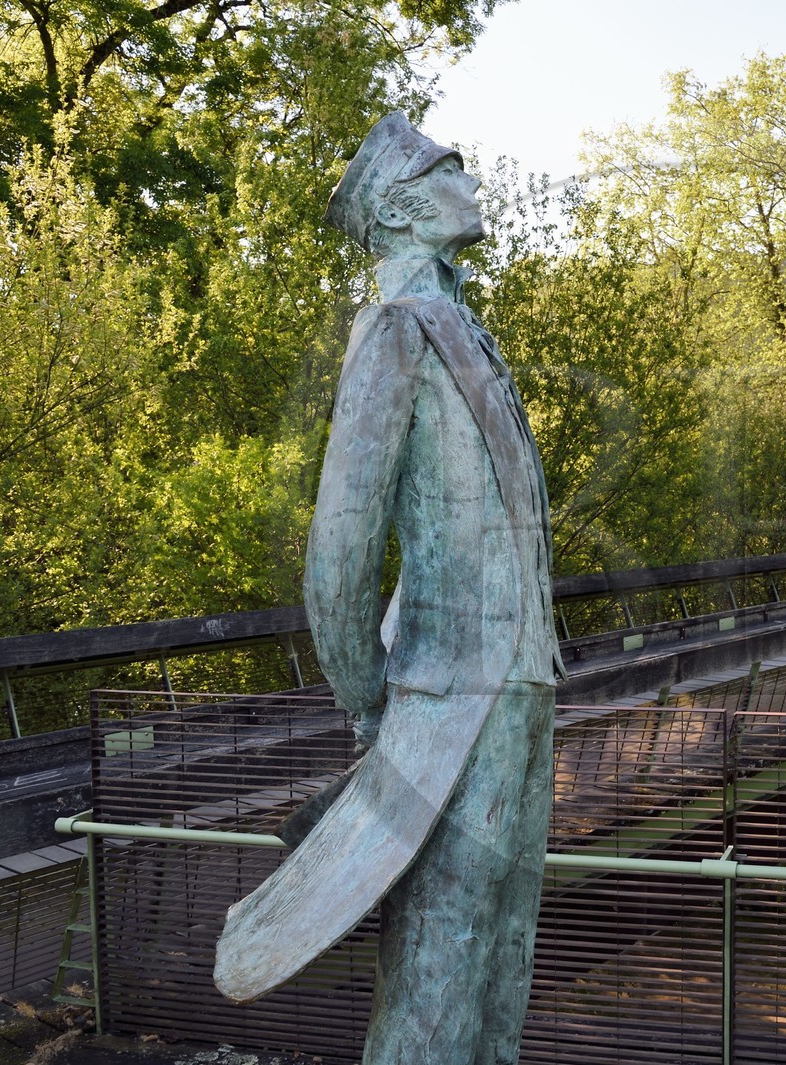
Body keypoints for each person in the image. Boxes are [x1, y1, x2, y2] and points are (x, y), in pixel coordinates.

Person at [214, 113, 564, 1065]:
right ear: (405, 209)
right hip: (450, 697)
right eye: (449, 168)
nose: (471, 177)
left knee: (502, 953)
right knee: (440, 960)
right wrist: (371, 700)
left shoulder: (464, 331)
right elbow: (340, 546)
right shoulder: (394, 332)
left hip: (523, 684)